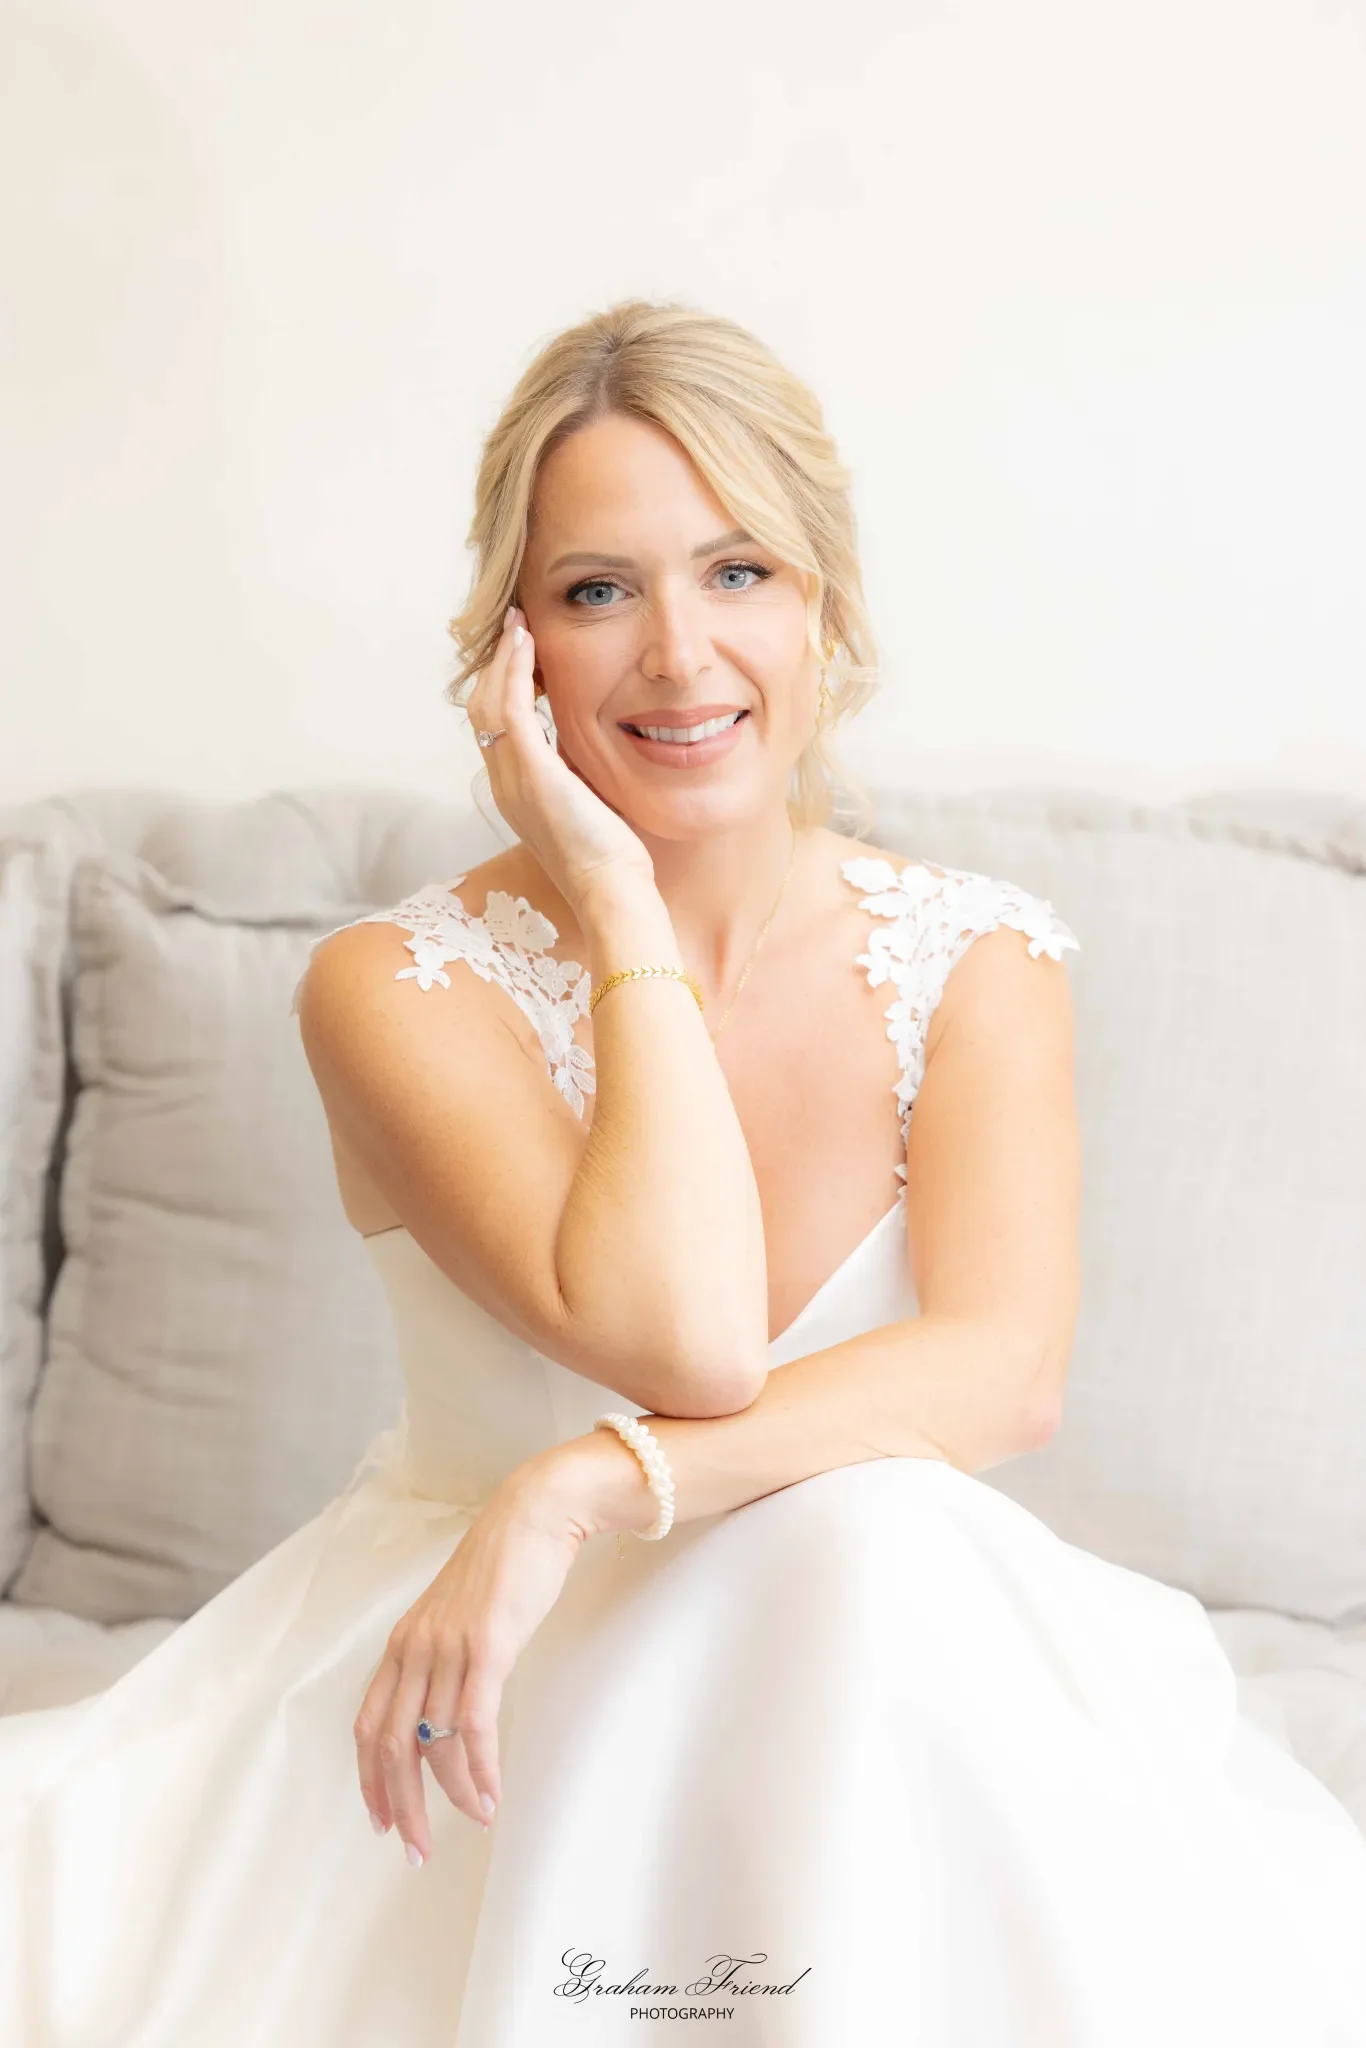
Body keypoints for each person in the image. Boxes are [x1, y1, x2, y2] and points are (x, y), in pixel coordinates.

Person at [2, 299, 1364, 2048]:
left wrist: (574, 1487)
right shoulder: (394, 988)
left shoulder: (978, 958)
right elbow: (692, 1338)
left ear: (824, 606)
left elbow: (999, 1373)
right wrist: (618, 898)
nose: (674, 654)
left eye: (738, 574)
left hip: (860, 1674)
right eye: (596, 591)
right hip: (497, 1688)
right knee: (855, 1541)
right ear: (516, 649)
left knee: (868, 1538)